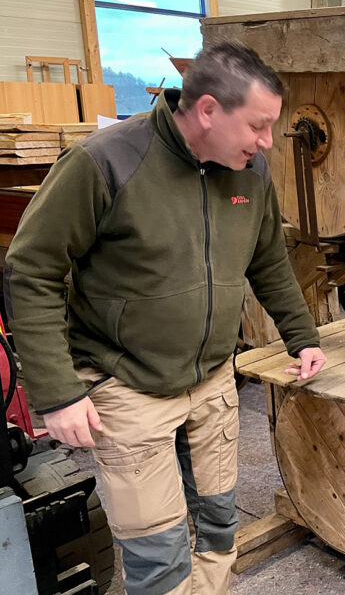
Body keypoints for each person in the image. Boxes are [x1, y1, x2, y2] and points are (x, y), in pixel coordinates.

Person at [4, 42, 327, 594]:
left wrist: (302, 337)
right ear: (207, 111)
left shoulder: (250, 170)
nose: (267, 141)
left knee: (219, 528)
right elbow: (30, 269)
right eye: (258, 125)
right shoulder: (104, 161)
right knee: (159, 555)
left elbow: (268, 257)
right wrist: (57, 393)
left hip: (211, 379)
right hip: (126, 383)